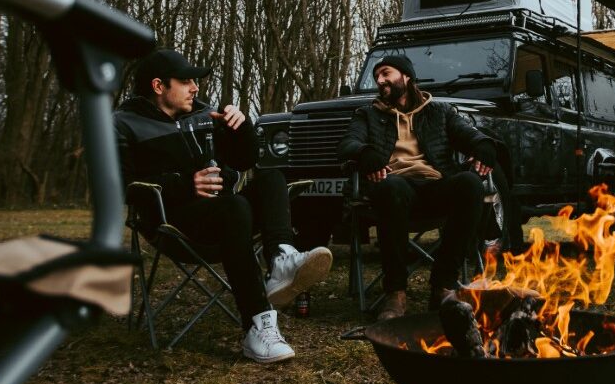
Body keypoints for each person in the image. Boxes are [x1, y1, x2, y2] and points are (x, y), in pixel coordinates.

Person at [114, 48, 332, 363]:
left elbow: (245, 160)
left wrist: (241, 128)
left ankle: (282, 258)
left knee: (271, 178)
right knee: (235, 208)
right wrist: (184, 183)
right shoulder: (123, 123)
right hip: (173, 223)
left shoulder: (204, 115)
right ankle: (258, 326)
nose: (195, 88)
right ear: (158, 86)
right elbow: (119, 187)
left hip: (227, 215)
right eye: (186, 81)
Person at [338, 55, 499, 320]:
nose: (380, 80)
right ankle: (396, 293)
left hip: (435, 185)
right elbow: (348, 144)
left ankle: (443, 286)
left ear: (406, 76)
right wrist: (365, 153)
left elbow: (468, 134)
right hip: (395, 188)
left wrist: (483, 145)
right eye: (377, 76)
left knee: (470, 184)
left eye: (386, 73)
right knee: (392, 189)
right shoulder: (368, 114)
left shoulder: (439, 111)